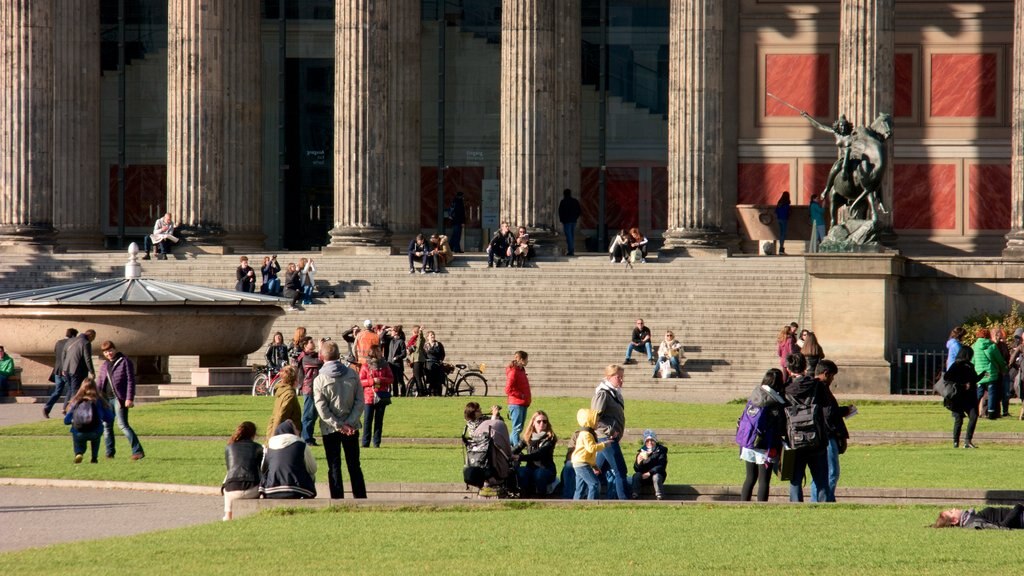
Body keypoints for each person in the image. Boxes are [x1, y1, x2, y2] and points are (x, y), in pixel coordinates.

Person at [313, 340, 366, 499]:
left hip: (330, 428)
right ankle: (360, 497)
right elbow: (359, 401)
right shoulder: (352, 374)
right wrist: (349, 422)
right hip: (351, 426)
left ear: (322, 357)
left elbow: (322, 409)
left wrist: (338, 425)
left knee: (334, 465)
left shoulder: (319, 379)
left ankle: (337, 499)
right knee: (354, 465)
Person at [783, 353, 829, 503]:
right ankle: (823, 506)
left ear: (789, 369)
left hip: (794, 439)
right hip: (817, 438)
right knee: (821, 479)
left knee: (795, 479)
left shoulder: (785, 389)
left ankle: (796, 506)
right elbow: (827, 411)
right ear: (806, 366)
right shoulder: (817, 386)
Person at [737, 369, 787, 502]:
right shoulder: (777, 402)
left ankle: (743, 504)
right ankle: (761, 506)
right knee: (764, 480)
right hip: (766, 445)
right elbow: (781, 427)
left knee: (750, 478)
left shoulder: (755, 396)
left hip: (749, 441)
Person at [808, 360, 853, 502]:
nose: (833, 380)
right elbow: (828, 413)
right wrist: (845, 411)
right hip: (826, 435)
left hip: (819, 434)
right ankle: (824, 500)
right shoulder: (821, 388)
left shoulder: (813, 387)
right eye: (832, 376)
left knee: (822, 473)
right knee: (831, 472)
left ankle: (823, 499)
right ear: (826, 374)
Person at [96, 340, 145, 460]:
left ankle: (137, 451)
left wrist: (129, 398)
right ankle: (109, 452)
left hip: (119, 398)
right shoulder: (105, 365)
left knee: (122, 425)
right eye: (106, 352)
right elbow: (100, 382)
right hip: (106, 399)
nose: (109, 354)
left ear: (115, 349)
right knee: (107, 426)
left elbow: (130, 381)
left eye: (110, 350)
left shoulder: (125, 362)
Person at [592, 364, 629, 500]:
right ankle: (625, 501)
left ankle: (583, 495)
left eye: (622, 377)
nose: (621, 380)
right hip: (606, 438)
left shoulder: (615, 393)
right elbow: (595, 418)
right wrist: (610, 430)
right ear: (609, 377)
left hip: (610, 438)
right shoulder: (603, 394)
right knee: (621, 470)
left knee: (597, 471)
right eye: (618, 377)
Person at [462, 402, 513, 497]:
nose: (481, 411)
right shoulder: (472, 425)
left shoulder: (481, 420)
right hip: (484, 453)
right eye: (478, 410)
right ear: (473, 413)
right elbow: (485, 434)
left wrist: (496, 416)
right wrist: (493, 417)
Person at [260, 420, 317, 499]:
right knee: (311, 474)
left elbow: (263, 469)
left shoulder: (269, 445)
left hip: (271, 489)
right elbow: (313, 469)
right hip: (298, 490)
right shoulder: (301, 444)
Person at [63, 377, 114, 464]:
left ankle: (79, 453)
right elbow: (109, 418)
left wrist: (70, 421)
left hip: (79, 431)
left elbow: (66, 420)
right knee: (96, 439)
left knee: (77, 440)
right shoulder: (99, 401)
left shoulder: (76, 401)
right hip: (95, 431)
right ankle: (94, 458)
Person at [221, 421, 263, 521]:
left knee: (230, 474)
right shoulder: (258, 447)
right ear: (254, 434)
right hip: (253, 489)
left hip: (231, 490)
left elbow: (229, 468)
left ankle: (228, 514)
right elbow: (260, 468)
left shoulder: (229, 447)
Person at [511, 410, 558, 497]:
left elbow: (539, 454)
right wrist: (507, 454)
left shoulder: (550, 438)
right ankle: (524, 496)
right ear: (533, 423)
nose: (542, 424)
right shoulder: (528, 436)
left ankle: (541, 498)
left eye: (545, 421)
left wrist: (520, 457)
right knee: (521, 471)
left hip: (546, 469)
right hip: (531, 468)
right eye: (539, 421)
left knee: (539, 474)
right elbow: (516, 448)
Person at [945, 346, 981, 449]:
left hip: (967, 397)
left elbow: (974, 379)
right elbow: (947, 378)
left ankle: (966, 441)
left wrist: (983, 374)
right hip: (958, 396)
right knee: (960, 418)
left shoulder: (969, 366)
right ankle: (957, 441)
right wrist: (962, 385)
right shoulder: (957, 365)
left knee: (971, 417)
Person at [360, 345, 393, 448]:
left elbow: (391, 379)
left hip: (381, 396)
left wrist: (381, 380)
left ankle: (376, 442)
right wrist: (371, 381)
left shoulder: (385, 365)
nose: (381, 353)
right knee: (367, 420)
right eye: (379, 351)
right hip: (369, 396)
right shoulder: (365, 366)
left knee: (379, 421)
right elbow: (360, 381)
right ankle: (365, 443)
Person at [570, 408, 607, 500]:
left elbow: (587, 454)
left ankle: (576, 506)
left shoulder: (586, 433)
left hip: (580, 462)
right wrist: (604, 444)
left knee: (580, 488)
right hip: (582, 463)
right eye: (596, 421)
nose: (598, 423)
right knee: (594, 484)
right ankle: (591, 504)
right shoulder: (586, 434)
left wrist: (594, 466)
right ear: (590, 421)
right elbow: (591, 448)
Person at [972, 328, 1007, 420]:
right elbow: (999, 360)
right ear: (988, 336)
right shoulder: (992, 346)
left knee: (979, 393)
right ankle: (991, 413)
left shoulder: (974, 346)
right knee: (992, 394)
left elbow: (972, 360)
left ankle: (972, 411)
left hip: (980, 373)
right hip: (990, 372)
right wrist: (1004, 369)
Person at [43, 328, 79, 418]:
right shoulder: (72, 343)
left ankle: (47, 407)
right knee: (71, 389)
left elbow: (56, 353)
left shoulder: (58, 342)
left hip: (57, 370)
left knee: (57, 391)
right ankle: (65, 409)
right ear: (74, 335)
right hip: (67, 370)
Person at [298, 337, 324, 446]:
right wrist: (321, 348)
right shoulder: (305, 357)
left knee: (313, 415)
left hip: (316, 388)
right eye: (310, 342)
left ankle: (310, 438)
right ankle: (306, 438)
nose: (313, 343)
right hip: (309, 389)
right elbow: (319, 362)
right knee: (308, 415)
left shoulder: (312, 355)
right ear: (305, 346)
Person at [630, 429, 669, 500]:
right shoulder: (641, 452)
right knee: (636, 475)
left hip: (657, 475)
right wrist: (638, 462)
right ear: (645, 442)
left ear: (655, 440)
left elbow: (661, 466)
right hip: (644, 477)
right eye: (647, 441)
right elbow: (637, 469)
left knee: (656, 477)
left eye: (652, 440)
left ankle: (659, 495)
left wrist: (649, 473)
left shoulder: (661, 451)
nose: (650, 442)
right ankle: (634, 495)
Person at [61, 329, 96, 403]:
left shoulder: (70, 340)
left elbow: (63, 354)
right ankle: (72, 409)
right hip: (77, 370)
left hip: (66, 369)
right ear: (90, 335)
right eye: (93, 338)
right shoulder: (86, 343)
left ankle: (65, 408)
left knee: (70, 389)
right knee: (76, 391)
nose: (92, 340)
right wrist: (92, 371)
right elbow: (87, 359)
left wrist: (63, 368)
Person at [266, 365, 302, 440]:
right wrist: (272, 438)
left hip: (278, 431)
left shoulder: (282, 391)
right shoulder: (289, 395)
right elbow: (281, 416)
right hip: (286, 435)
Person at [505, 351, 531, 444]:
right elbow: (508, 389)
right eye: (526, 359)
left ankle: (508, 446)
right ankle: (516, 449)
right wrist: (521, 395)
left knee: (519, 428)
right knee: (517, 428)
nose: (528, 361)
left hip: (523, 403)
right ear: (521, 359)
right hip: (516, 403)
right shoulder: (513, 372)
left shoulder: (521, 370)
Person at [934, 504, 1024, 529]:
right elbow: (1002, 527)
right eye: (951, 512)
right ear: (954, 521)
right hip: (1020, 518)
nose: (954, 508)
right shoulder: (974, 523)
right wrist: (1017, 508)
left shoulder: (971, 518)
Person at [385, 325, 408, 396]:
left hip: (397, 364)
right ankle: (395, 394)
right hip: (390, 363)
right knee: (393, 380)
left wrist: (397, 357)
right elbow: (381, 337)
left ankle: (403, 394)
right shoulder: (390, 340)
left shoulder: (401, 341)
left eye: (392, 331)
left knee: (400, 380)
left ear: (396, 333)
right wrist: (387, 330)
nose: (391, 332)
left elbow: (404, 353)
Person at [558, 188, 581, 256]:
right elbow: (579, 211)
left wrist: (562, 220)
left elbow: (560, 211)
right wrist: (575, 218)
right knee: (571, 236)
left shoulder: (563, 201)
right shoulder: (575, 201)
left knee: (569, 236)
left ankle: (571, 250)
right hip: (573, 221)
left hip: (567, 221)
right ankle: (571, 249)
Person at [424, 330, 446, 397]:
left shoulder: (438, 344)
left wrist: (441, 360)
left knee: (438, 381)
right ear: (428, 337)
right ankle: (431, 394)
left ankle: (439, 394)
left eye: (433, 334)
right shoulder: (425, 345)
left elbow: (443, 354)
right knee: (431, 381)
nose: (433, 336)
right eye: (431, 335)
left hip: (437, 364)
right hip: (429, 365)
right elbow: (424, 354)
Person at [407, 325, 426, 396]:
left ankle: (421, 392)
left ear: (415, 331)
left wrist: (420, 331)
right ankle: (419, 391)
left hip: (418, 360)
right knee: (417, 377)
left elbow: (420, 338)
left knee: (417, 377)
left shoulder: (419, 338)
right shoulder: (413, 340)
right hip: (415, 359)